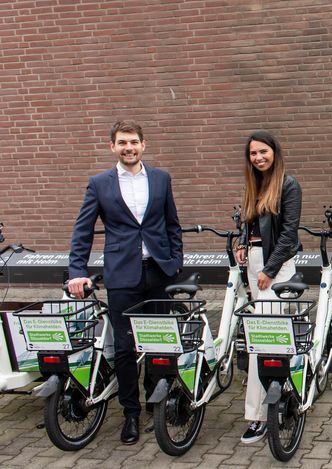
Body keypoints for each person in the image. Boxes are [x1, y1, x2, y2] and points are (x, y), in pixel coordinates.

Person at [67, 120, 183, 445]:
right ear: (112, 147)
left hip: (159, 271)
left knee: (161, 341)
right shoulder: (99, 183)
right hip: (121, 275)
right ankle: (130, 412)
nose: (128, 147)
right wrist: (77, 270)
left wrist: (175, 262)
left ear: (143, 144)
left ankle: (156, 402)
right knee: (125, 346)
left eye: (133, 141)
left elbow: (172, 223)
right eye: (122, 142)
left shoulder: (161, 179)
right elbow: (83, 229)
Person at [234, 130, 302, 444]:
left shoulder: (288, 185)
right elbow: (250, 226)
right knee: (263, 336)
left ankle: (260, 416)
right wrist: (241, 245)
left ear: (275, 151)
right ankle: (279, 393)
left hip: (277, 265)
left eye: (263, 152)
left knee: (263, 337)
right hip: (255, 263)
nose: (259, 158)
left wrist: (270, 270)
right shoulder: (254, 186)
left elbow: (289, 235)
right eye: (253, 154)